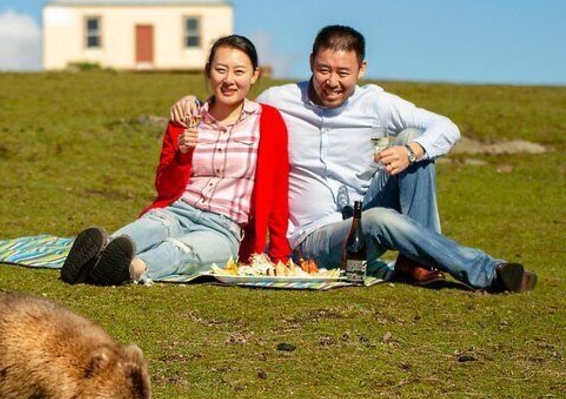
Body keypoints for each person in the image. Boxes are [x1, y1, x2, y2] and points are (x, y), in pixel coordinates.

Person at [169, 25, 536, 293]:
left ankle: (418, 262)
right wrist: (193, 103)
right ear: (311, 62)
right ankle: (488, 271)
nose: (332, 81)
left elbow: (445, 127)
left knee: (413, 140)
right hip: (314, 235)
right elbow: (231, 105)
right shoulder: (279, 101)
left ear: (361, 69)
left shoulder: (375, 102)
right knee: (377, 220)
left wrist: (411, 151)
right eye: (323, 70)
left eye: (343, 73)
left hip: (364, 205)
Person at [60, 35, 290, 286]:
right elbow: (165, 187)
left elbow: (278, 190)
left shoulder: (269, 121)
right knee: (147, 228)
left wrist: (279, 254)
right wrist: (182, 154)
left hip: (223, 228)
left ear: (254, 75)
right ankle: (97, 254)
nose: (229, 80)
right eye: (221, 70)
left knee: (181, 250)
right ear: (208, 71)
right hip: (178, 210)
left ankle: (129, 269)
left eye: (239, 71)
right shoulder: (187, 117)